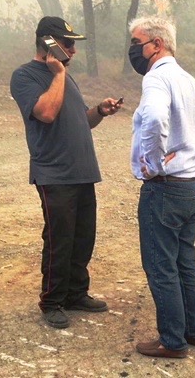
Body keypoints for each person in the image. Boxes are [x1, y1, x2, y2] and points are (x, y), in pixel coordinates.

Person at [10, 16, 122, 329]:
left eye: (74, 44)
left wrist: (99, 110)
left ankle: (75, 293)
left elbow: (80, 121)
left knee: (83, 237)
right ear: (48, 41)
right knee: (60, 239)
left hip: (83, 170)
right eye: (67, 43)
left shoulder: (65, 78)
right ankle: (52, 301)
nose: (72, 50)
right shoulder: (25, 76)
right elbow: (45, 113)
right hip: (54, 173)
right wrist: (57, 72)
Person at [129, 16, 195, 358]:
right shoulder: (189, 81)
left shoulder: (157, 79)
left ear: (156, 44)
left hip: (166, 189)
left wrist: (153, 166)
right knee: (185, 261)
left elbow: (154, 119)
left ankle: (172, 340)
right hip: (192, 186)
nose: (133, 49)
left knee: (161, 265)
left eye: (136, 42)